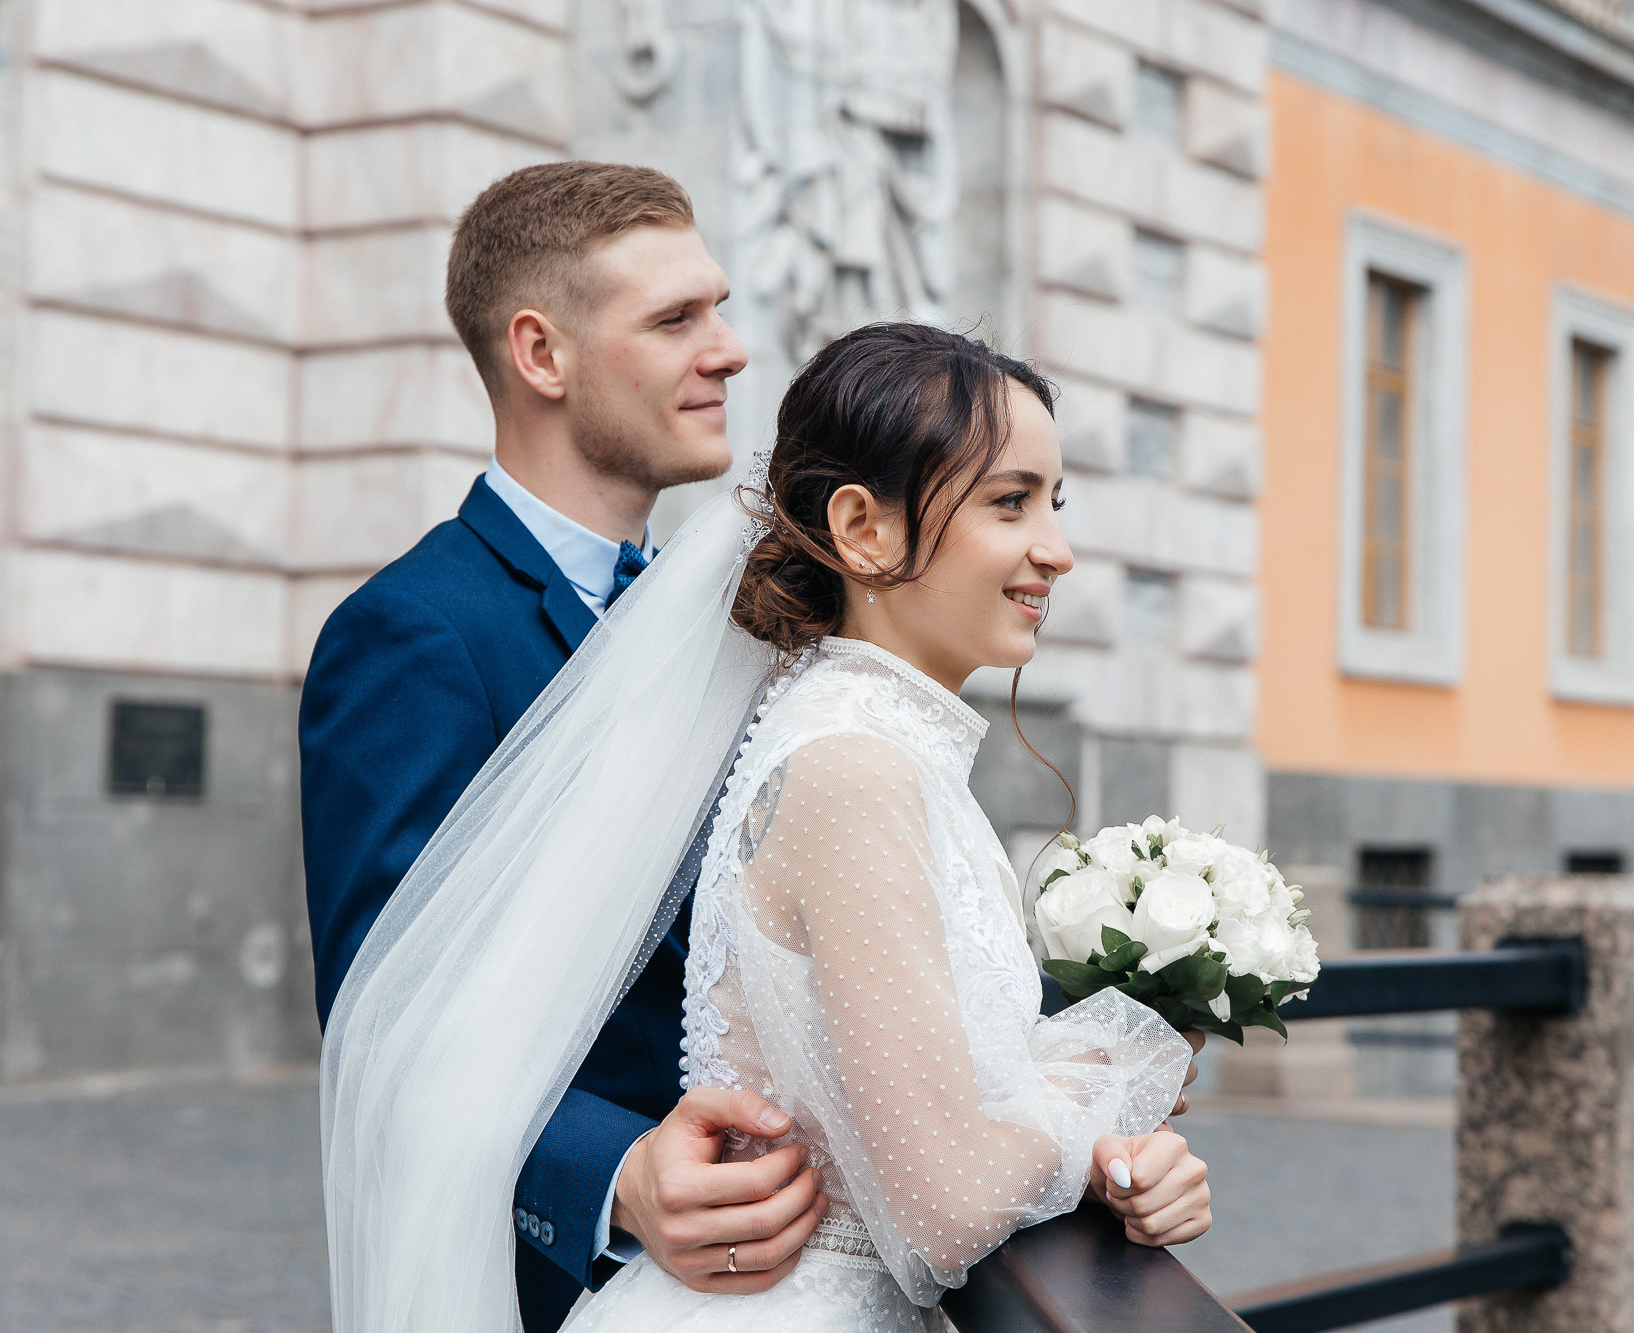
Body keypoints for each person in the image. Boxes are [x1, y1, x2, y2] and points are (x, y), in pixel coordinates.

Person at [318, 321, 1212, 1333]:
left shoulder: (869, 746)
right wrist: (1127, 1060)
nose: (1054, 547)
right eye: (1009, 502)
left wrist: (1106, 1160)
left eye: (1054, 502)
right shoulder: (853, 769)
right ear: (864, 530)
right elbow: (945, 1204)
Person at [300, 162, 826, 1333]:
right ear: (541, 355)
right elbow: (388, 1023)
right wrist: (616, 1177)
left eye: (720, 309)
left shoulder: (723, 620)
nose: (731, 350)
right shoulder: (411, 634)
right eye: (676, 319)